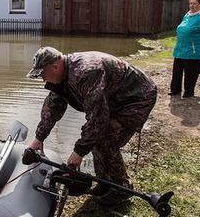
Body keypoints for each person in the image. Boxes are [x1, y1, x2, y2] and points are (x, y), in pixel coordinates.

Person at [26, 46, 157, 206]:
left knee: (105, 139)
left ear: (55, 66)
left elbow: (98, 119)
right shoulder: (61, 77)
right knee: (95, 138)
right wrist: (39, 138)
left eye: (42, 74)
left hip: (137, 97)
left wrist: (78, 152)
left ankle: (122, 186)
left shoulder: (85, 72)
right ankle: (105, 183)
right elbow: (53, 109)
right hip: (114, 98)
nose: (42, 79)